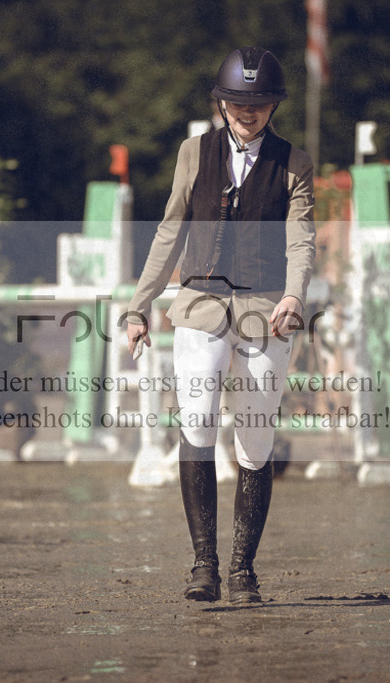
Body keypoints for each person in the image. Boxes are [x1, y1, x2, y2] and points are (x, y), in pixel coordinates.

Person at [125, 47, 316, 604]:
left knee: (254, 440)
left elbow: (300, 239)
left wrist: (294, 295)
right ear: (221, 103)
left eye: (258, 103)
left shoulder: (295, 163)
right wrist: (139, 305)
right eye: (236, 102)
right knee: (198, 422)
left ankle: (242, 569)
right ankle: (203, 564)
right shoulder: (193, 153)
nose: (246, 112)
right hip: (200, 305)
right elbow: (170, 230)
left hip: (264, 310)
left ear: (273, 105)